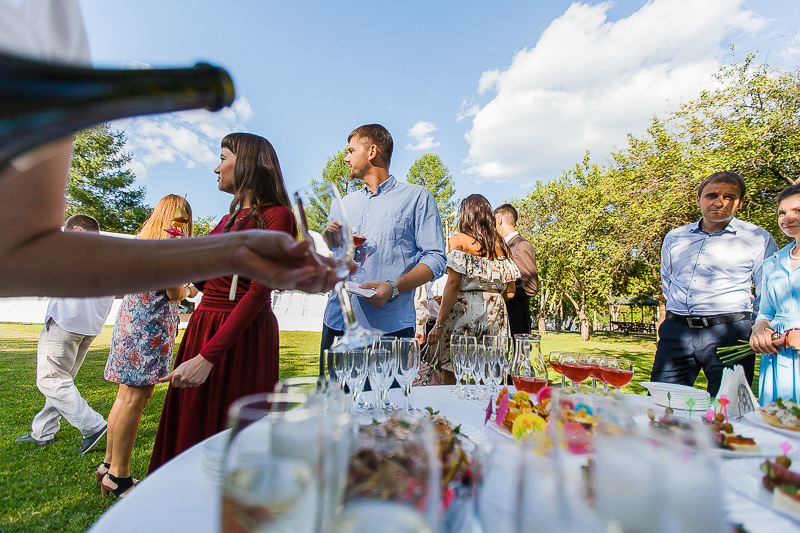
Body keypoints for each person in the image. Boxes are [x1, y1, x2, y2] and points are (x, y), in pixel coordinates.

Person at [0, 0, 346, 301]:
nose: (215, 168)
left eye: (222, 158)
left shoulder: (48, 19)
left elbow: (22, 251)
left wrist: (236, 251)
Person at [148, 133, 297, 472]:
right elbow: (209, 282)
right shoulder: (226, 220)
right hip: (204, 323)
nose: (216, 169)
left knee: (230, 438)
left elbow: (258, 291)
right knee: (192, 423)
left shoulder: (277, 216)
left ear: (246, 164)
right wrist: (184, 256)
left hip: (240, 333)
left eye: (222, 158)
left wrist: (207, 357)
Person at [318, 124, 446, 371]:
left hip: (390, 331)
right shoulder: (344, 203)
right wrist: (332, 242)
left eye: (351, 151)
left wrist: (394, 288)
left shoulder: (418, 197)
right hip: (337, 324)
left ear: (372, 151)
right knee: (333, 397)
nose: (346, 158)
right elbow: (338, 257)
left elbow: (436, 258)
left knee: (386, 398)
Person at [98, 195, 197, 498]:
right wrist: (189, 288)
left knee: (123, 398)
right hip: (149, 333)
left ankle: (108, 464)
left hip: (129, 327)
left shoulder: (142, 243)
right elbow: (174, 292)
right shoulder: (170, 245)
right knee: (135, 401)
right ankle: (119, 476)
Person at [651, 171, 777, 397]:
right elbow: (668, 281)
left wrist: (758, 326)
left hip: (730, 332)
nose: (719, 202)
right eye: (711, 196)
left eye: (729, 197)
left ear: (740, 202)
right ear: (698, 200)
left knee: (728, 407)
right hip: (676, 332)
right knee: (661, 403)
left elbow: (767, 291)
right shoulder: (675, 237)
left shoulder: (758, 238)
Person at [15, 214, 114, 454]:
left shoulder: (72, 249)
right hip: (90, 326)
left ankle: (95, 426)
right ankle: (43, 432)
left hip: (65, 321)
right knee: (61, 381)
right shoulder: (110, 254)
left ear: (77, 230)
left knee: (51, 380)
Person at [426, 195, 520, 383]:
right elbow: (510, 291)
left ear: (465, 215)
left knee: (452, 369)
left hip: (464, 313)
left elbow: (453, 284)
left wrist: (439, 324)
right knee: (489, 373)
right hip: (496, 315)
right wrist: (491, 300)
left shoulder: (458, 240)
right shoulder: (502, 246)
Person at [749, 184, 800, 404]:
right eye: (782, 212)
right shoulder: (772, 262)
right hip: (778, 356)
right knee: (776, 417)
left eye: (798, 210)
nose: (787, 218)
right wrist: (759, 328)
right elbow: (766, 311)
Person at [494, 203, 539, 335]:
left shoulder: (521, 245)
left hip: (516, 326)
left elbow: (531, 287)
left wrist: (500, 294)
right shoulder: (504, 246)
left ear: (499, 219)